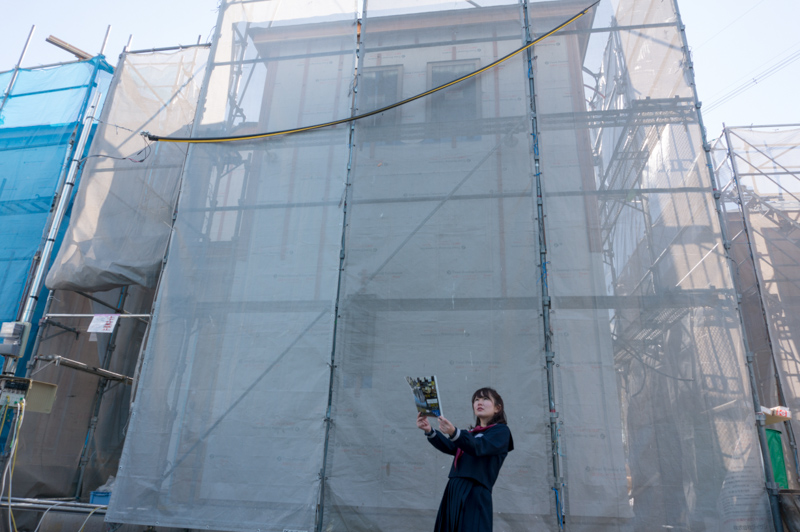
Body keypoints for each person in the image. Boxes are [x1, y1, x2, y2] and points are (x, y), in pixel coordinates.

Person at [416, 387, 514, 532]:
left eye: (485, 399)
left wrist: (454, 432)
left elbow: (478, 447)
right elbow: (451, 447)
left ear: (497, 408)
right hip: (454, 488)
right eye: (476, 400)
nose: (479, 402)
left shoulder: (501, 431)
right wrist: (429, 430)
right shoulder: (470, 433)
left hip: (474, 491)